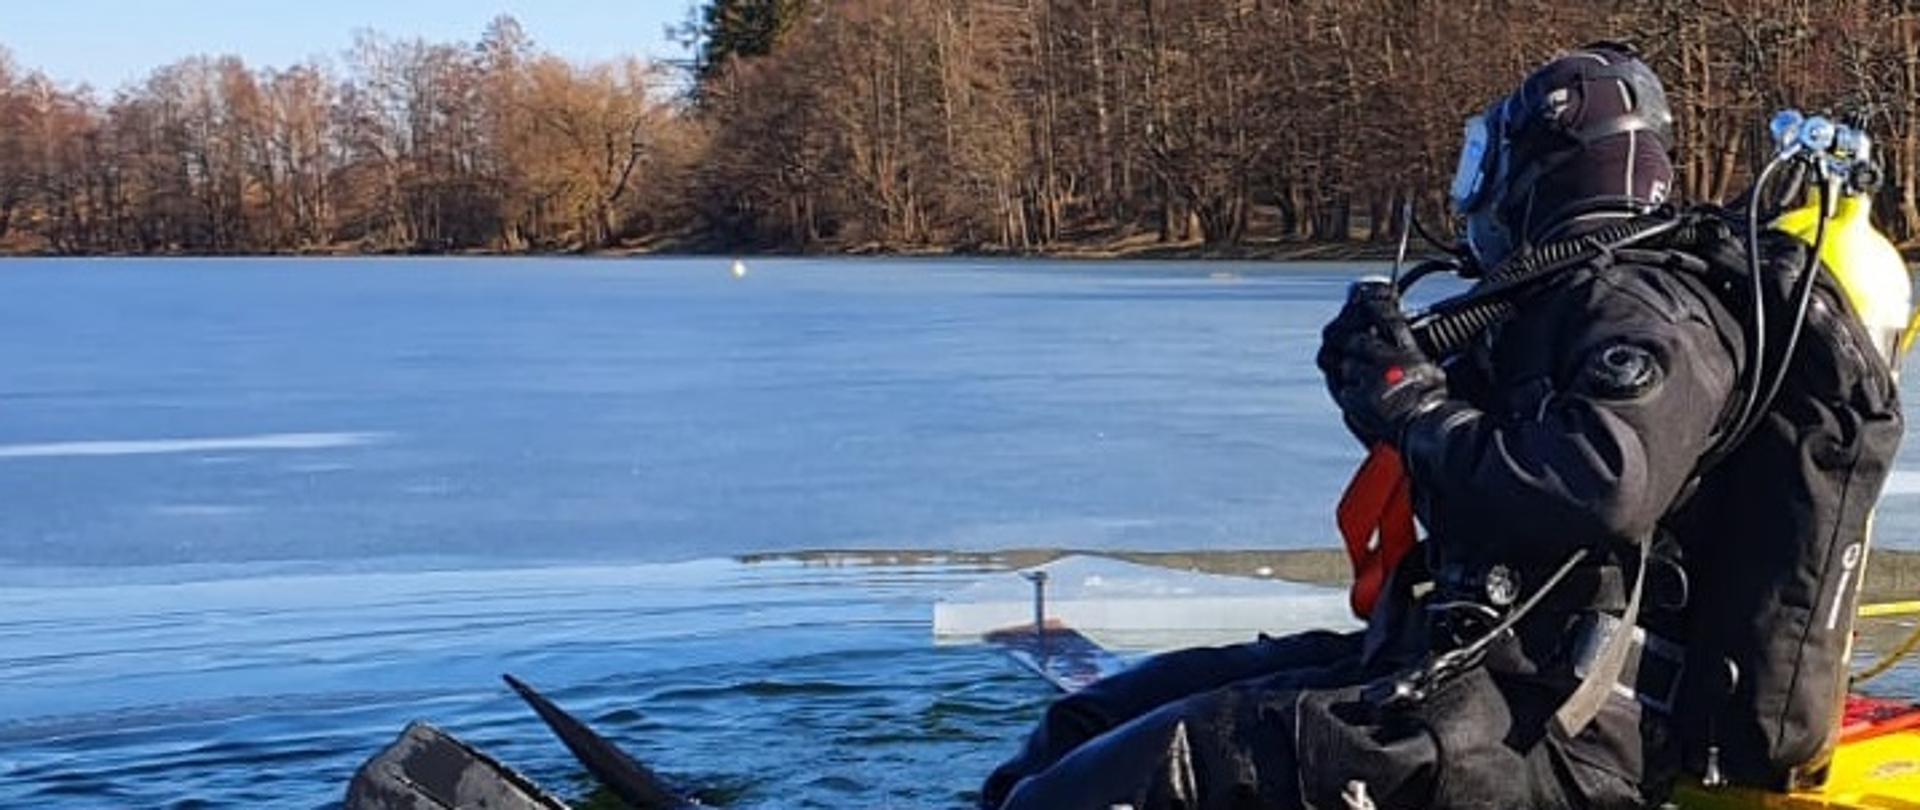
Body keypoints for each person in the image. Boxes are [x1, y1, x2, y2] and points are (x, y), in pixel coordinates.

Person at [977, 42, 1903, 810]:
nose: (1478, 191)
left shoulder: (1649, 311)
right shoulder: (1554, 302)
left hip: (1555, 734)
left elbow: (1604, 482)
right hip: (1449, 671)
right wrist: (1380, 387)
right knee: (1078, 733)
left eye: (1486, 164)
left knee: (1097, 792)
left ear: (1545, 163)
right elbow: (1475, 461)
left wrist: (1416, 407)